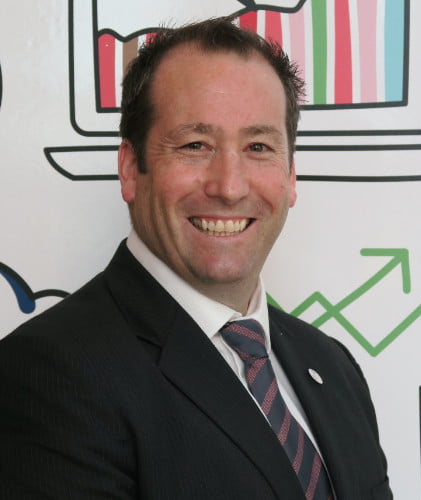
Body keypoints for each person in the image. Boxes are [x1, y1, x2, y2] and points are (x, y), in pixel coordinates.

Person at [0, 17, 392, 500]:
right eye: (194, 145)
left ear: (291, 176)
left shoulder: (331, 365)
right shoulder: (50, 375)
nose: (229, 187)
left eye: (258, 147)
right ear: (130, 168)